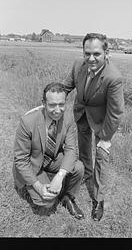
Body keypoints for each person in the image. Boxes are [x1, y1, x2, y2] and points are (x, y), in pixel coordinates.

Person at [63, 33, 124, 221]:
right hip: (81, 113)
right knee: (83, 151)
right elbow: (66, 87)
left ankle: (98, 200)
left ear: (106, 53)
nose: (91, 58)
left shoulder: (113, 77)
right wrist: (51, 102)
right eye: (87, 53)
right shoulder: (77, 65)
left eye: (96, 53)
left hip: (102, 119)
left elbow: (116, 113)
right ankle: (86, 173)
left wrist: (105, 139)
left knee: (101, 158)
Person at [12, 82, 85, 220]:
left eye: (61, 104)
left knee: (78, 167)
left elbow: (71, 150)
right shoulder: (27, 122)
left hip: (52, 159)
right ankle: (27, 188)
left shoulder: (68, 119)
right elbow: (21, 160)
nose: (57, 110)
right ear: (44, 103)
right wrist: (38, 186)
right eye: (52, 105)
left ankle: (67, 197)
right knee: (47, 202)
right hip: (32, 164)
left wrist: (60, 176)